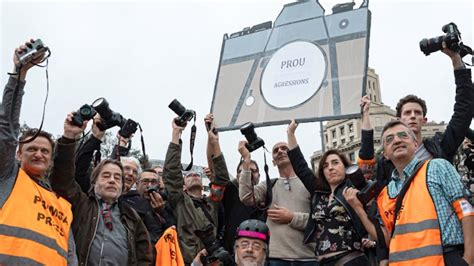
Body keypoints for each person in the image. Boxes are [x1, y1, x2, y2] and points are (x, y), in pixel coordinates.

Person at [0, 40, 77, 265]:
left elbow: (70, 254)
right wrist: (19, 75)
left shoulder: (62, 204)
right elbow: (6, 129)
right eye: (31, 149)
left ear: (51, 159)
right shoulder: (8, 177)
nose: (38, 154)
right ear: (17, 154)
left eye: (44, 151)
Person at [50, 114, 152, 264]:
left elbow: (145, 257)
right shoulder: (81, 204)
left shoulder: (132, 216)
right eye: (106, 175)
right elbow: (62, 177)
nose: (112, 180)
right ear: (94, 181)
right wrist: (69, 136)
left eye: (117, 177)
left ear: (122, 186)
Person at [369, 120, 473, 265]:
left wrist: (469, 259)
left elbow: (466, 211)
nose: (397, 140)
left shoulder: (437, 167)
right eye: (389, 139)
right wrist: (358, 210)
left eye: (403, 135)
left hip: (446, 258)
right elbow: (386, 238)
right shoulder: (385, 194)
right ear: (385, 154)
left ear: (416, 144)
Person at [287, 120, 369, 265]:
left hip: (351, 260)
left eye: (335, 163)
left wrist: (366, 115)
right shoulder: (319, 193)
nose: (330, 168)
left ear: (346, 167)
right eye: (325, 165)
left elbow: (367, 155)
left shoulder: (352, 188)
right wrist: (290, 133)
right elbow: (300, 167)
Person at [163, 115, 231, 264]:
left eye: (197, 174)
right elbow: (171, 174)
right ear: (183, 186)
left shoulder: (212, 202)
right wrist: (176, 133)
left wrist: (214, 141)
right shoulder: (179, 201)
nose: (193, 174)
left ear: (203, 183)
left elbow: (221, 179)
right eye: (188, 175)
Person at [239, 139, 317, 265]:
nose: (280, 151)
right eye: (276, 150)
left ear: (293, 155)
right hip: (275, 258)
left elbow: (320, 220)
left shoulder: (310, 182)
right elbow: (246, 197)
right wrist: (246, 159)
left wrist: (292, 217)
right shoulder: (269, 185)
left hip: (308, 258)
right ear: (273, 162)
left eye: (284, 148)